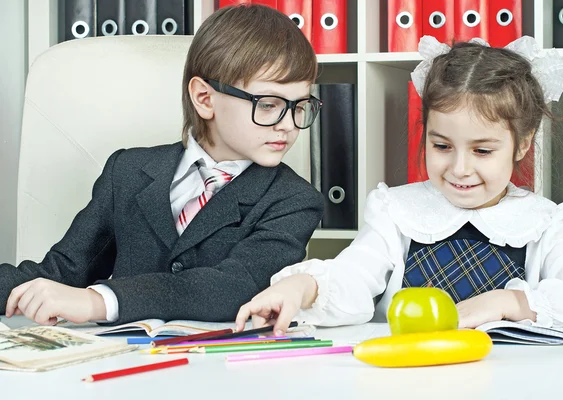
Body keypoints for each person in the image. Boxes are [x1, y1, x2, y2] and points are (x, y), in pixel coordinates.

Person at [236, 35, 563, 336]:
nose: (460, 168)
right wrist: (300, 288)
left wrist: (509, 302)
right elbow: (353, 279)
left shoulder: (546, 223)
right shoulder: (395, 210)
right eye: (441, 146)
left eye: (483, 150)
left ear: (522, 144)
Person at [0, 4, 324, 326]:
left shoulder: (295, 200)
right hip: (113, 364)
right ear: (204, 98)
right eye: (268, 105)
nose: (289, 125)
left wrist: (99, 301)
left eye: (301, 106)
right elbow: (63, 272)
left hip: (219, 369)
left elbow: (235, 287)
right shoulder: (127, 171)